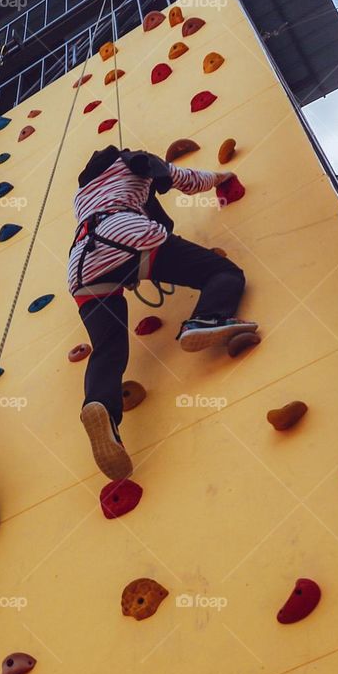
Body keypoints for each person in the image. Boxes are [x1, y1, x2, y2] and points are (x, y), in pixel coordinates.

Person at [68, 145, 258, 479]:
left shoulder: (82, 195)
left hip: (81, 265)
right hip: (126, 237)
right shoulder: (132, 162)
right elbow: (183, 178)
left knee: (108, 349)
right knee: (224, 273)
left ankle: (100, 408)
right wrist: (220, 177)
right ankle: (206, 319)